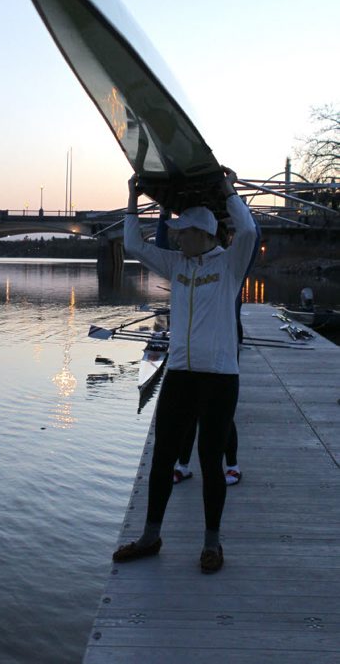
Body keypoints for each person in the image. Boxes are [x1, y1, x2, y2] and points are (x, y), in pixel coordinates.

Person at [113, 167, 256, 573]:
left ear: (205, 234)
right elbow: (132, 244)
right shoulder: (177, 265)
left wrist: (228, 191)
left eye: (184, 232)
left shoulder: (230, 265)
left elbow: (246, 231)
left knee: (210, 460)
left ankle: (212, 544)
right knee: (162, 458)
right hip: (180, 373)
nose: (177, 237)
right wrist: (132, 201)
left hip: (219, 377)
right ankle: (150, 536)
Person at [155, 211, 261, 487]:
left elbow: (252, 233)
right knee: (188, 415)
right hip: (189, 352)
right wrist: (164, 212)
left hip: (222, 343)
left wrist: (233, 196)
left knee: (220, 419)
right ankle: (184, 464)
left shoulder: (231, 265)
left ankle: (233, 465)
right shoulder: (192, 262)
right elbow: (162, 246)